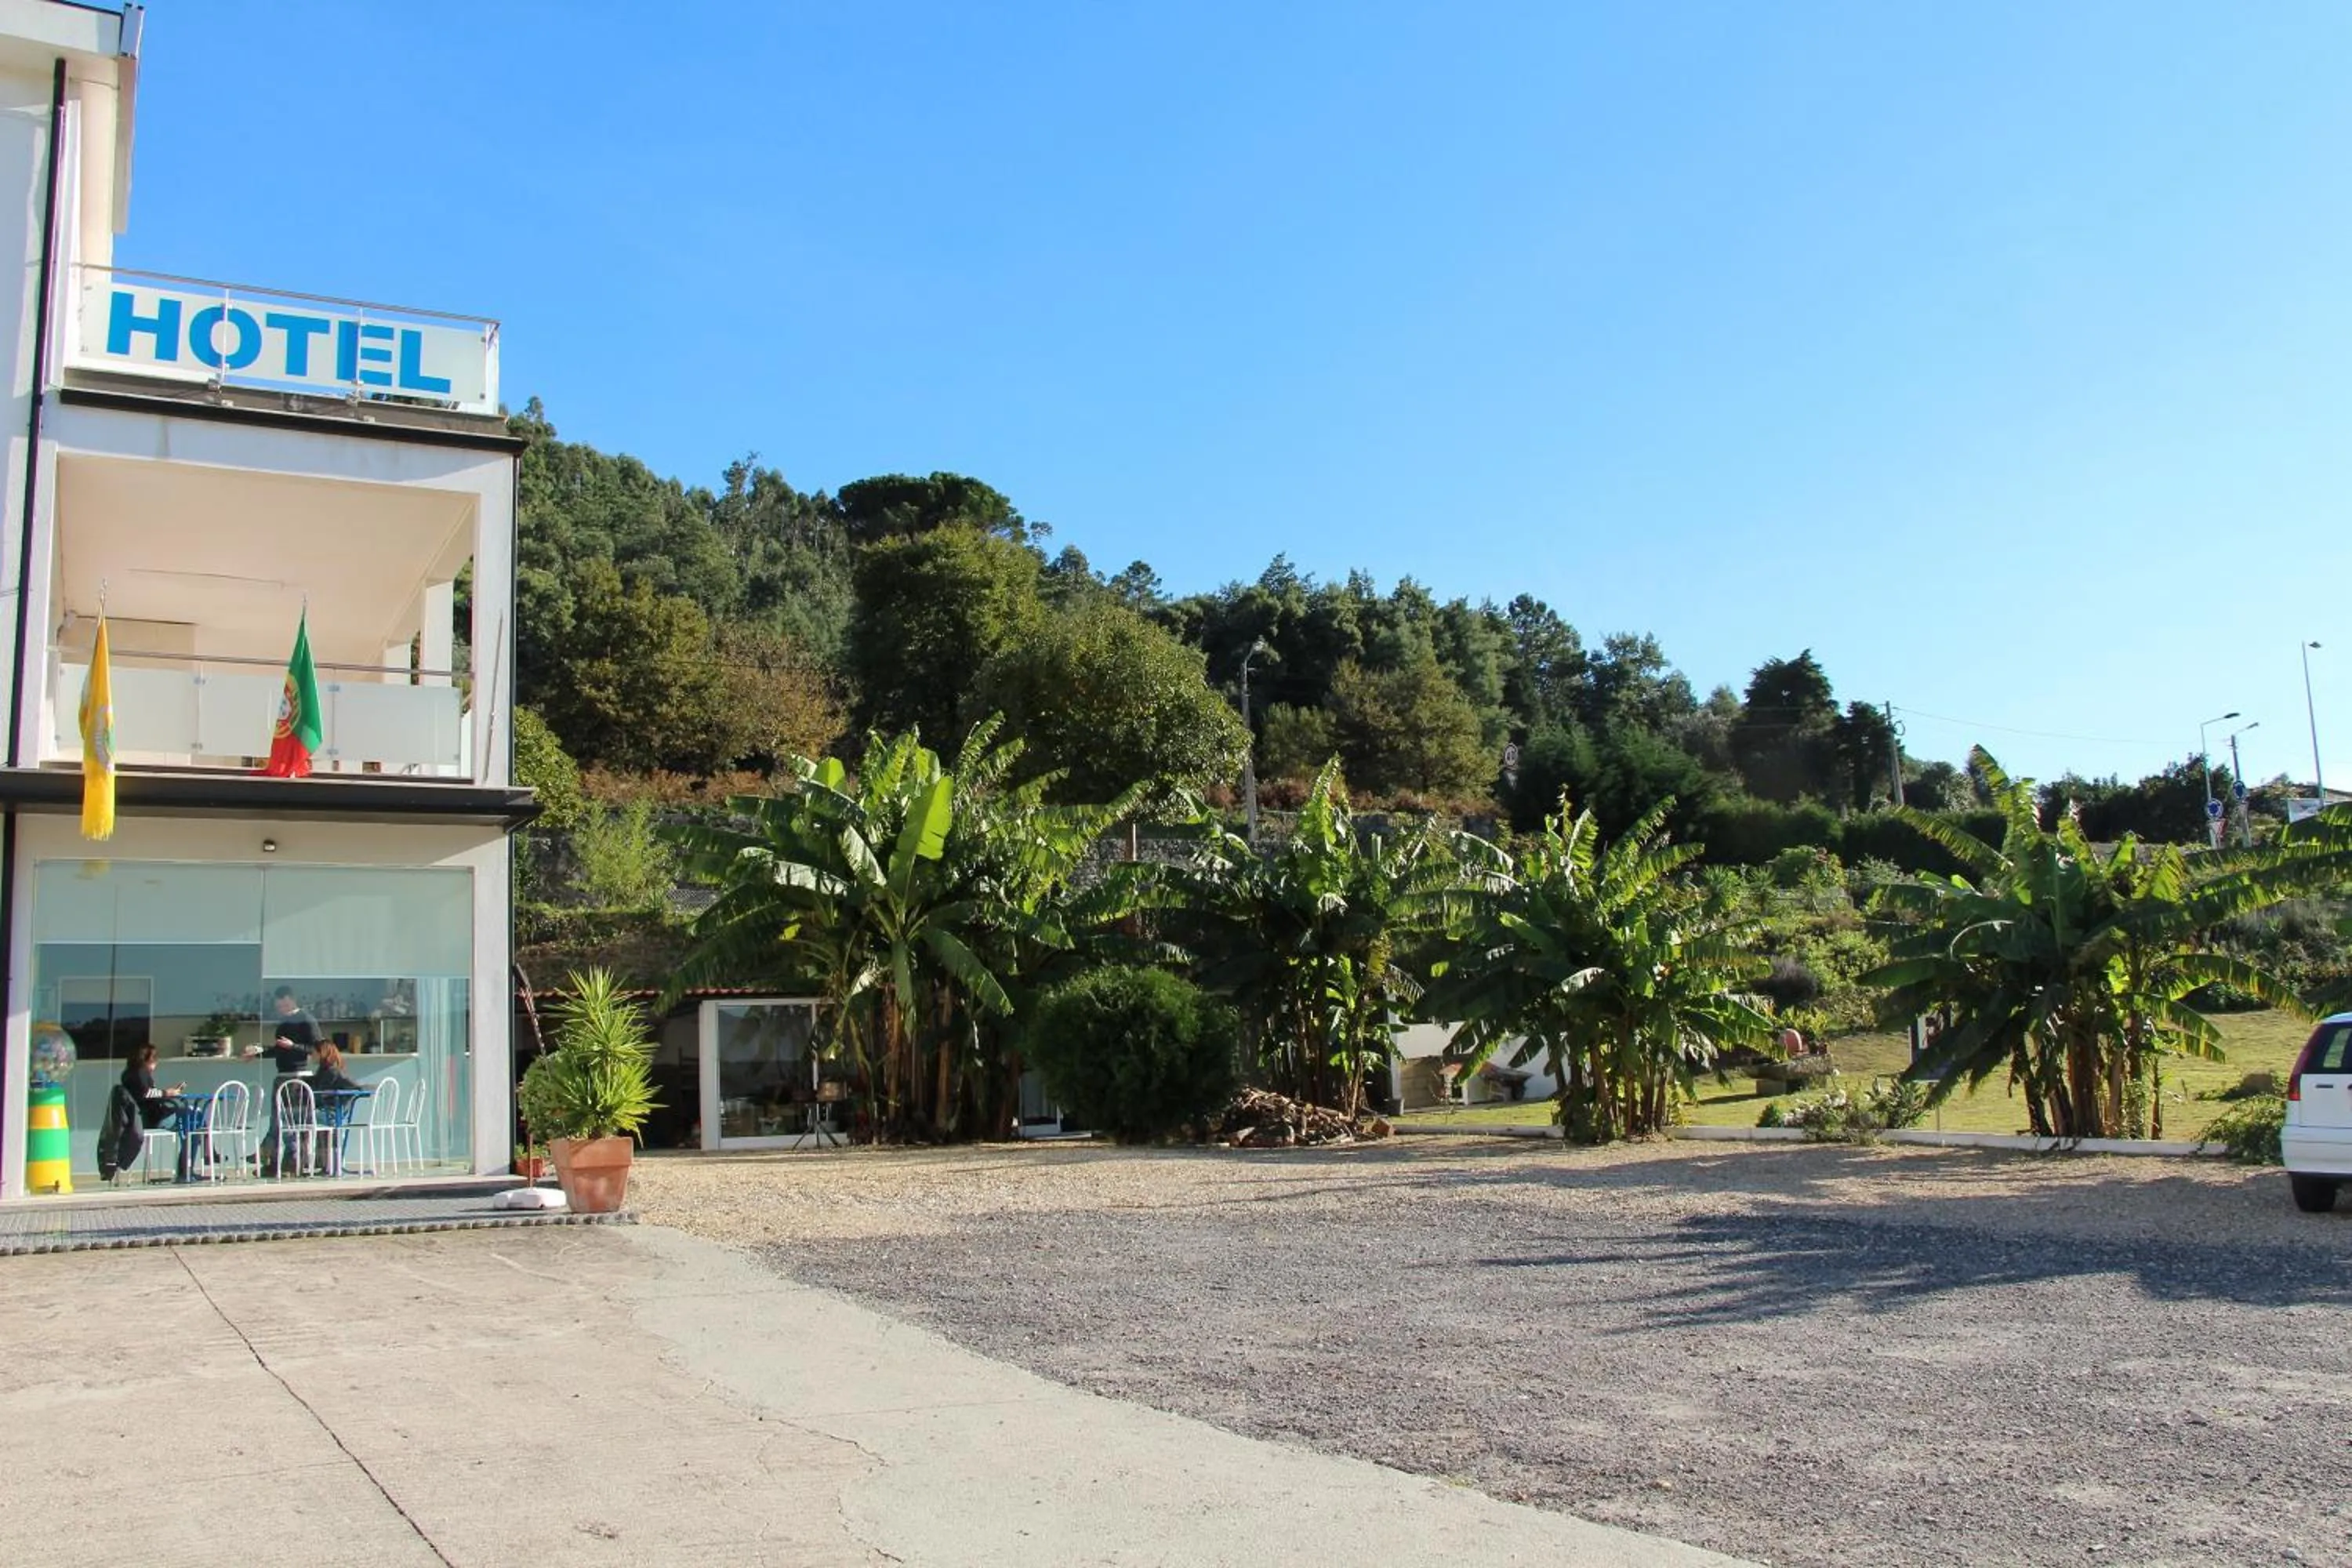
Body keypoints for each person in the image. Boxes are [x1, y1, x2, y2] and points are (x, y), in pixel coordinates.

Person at [249, 987, 320, 1174]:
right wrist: (259, 1053)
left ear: (289, 1000)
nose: (279, 1008)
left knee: (294, 1121)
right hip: (283, 1075)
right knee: (278, 1120)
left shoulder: (307, 1020)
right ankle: (275, 1161)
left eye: (280, 1005)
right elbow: (279, 1050)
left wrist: (293, 1046)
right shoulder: (284, 1024)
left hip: (299, 1076)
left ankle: (293, 1160)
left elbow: (317, 1049)